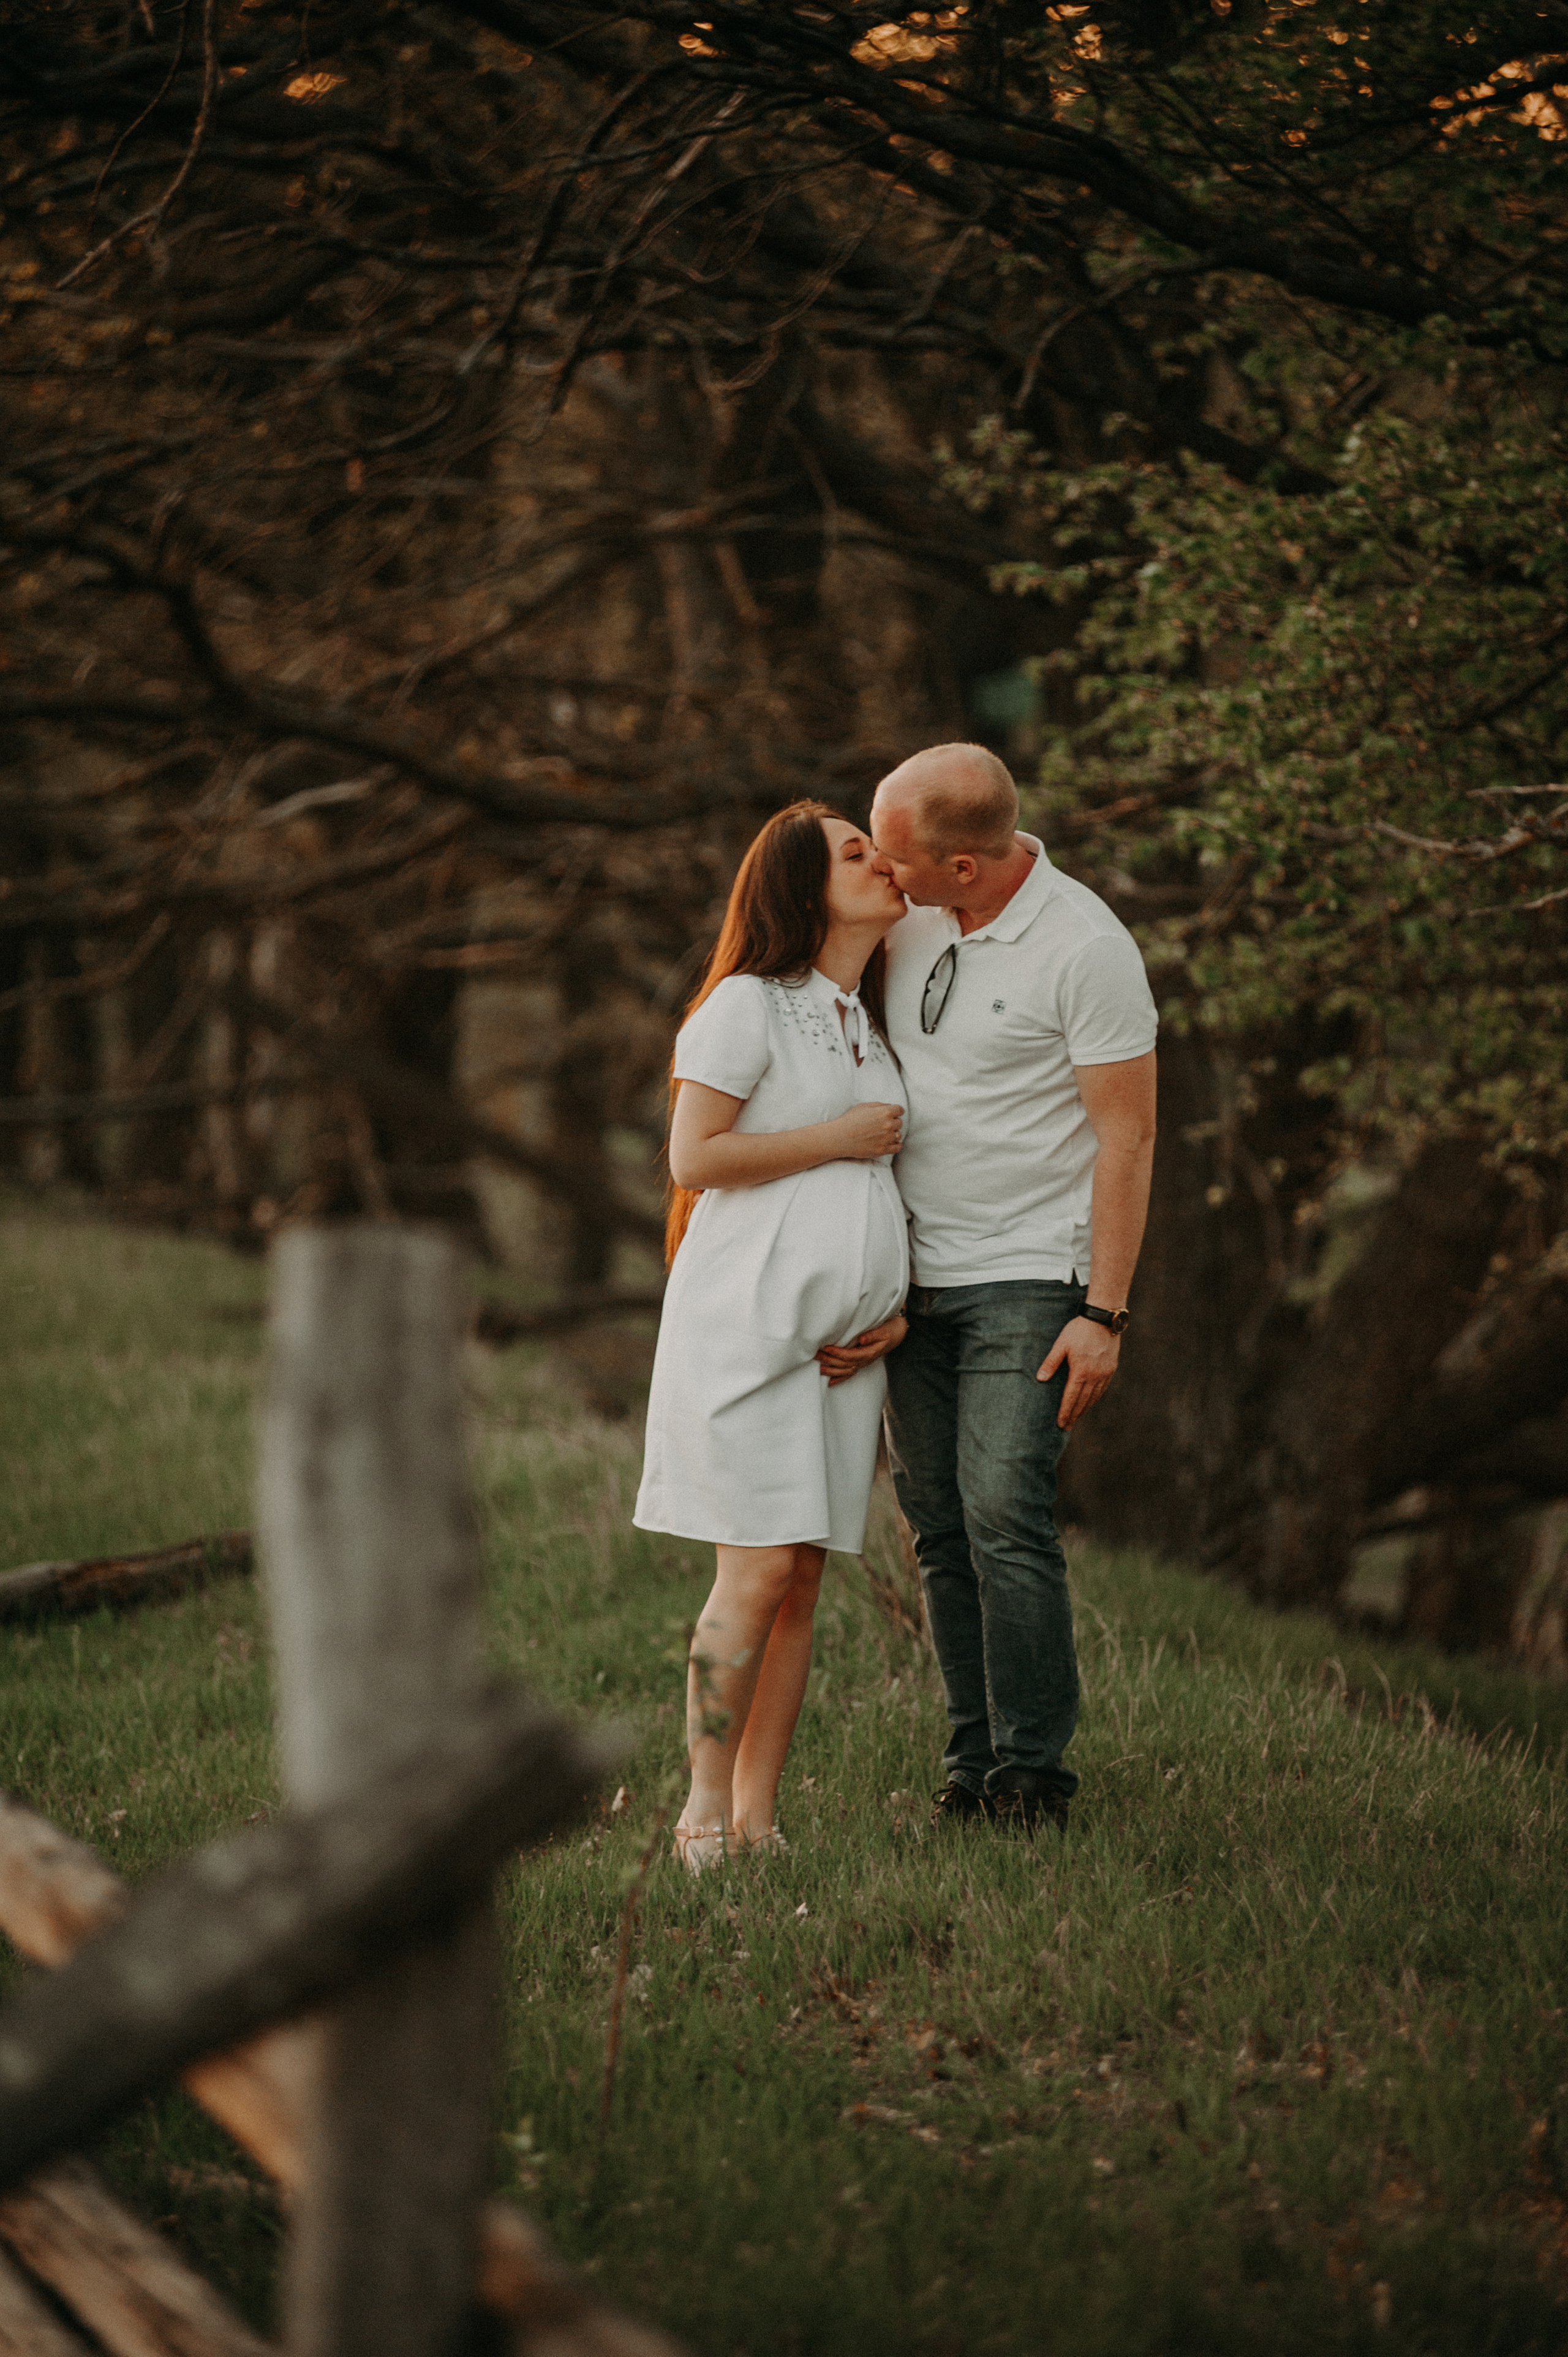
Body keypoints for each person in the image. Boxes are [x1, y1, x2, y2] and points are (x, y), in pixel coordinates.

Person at [825, 743, 1157, 1833]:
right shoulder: (905, 915)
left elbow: (1129, 1135)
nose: (881, 866)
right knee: (934, 1524)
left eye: (899, 852)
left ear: (966, 865)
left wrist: (1102, 1313)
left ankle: (1033, 1779)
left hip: (1029, 1273)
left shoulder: (1086, 947)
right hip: (911, 1274)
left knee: (1003, 1509)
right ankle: (969, 1771)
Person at [635, 800, 911, 1873]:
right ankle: (701, 1818)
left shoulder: (864, 1021)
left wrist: (891, 1313)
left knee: (801, 1578)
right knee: (750, 1576)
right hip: (749, 1333)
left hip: (841, 1358)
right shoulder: (747, 1006)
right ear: (804, 888)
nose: (883, 864)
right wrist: (834, 1138)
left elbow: (877, 1196)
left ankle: (759, 1823)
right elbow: (695, 1158)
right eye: (857, 853)